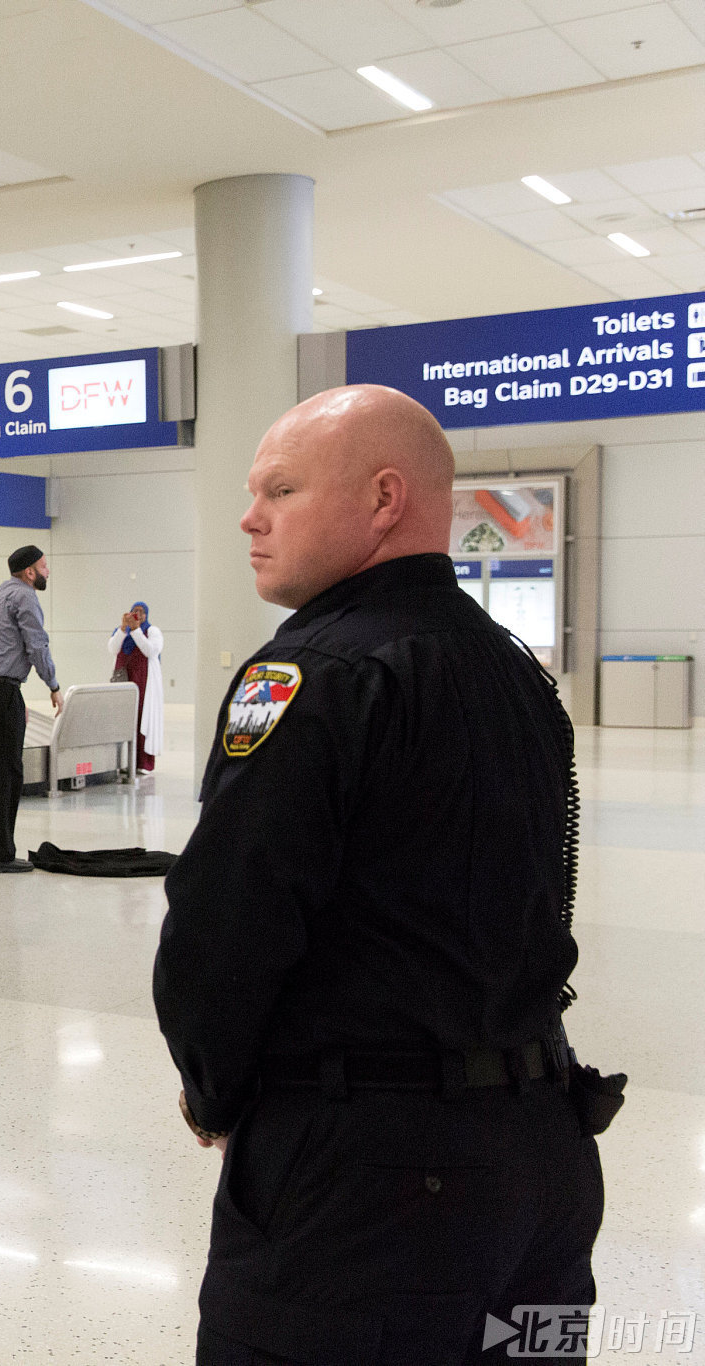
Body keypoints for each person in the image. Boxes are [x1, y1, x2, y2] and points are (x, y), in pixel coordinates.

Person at [152, 385, 607, 1364]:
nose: (247, 516)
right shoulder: (512, 670)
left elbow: (221, 926)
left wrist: (214, 1092)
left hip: (372, 1196)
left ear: (383, 499)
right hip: (545, 1170)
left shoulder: (313, 674)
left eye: (279, 487)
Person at [0, 544, 61, 874]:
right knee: (7, 774)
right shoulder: (24, 596)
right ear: (30, 572)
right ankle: (1, 855)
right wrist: (53, 684)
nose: (48, 571)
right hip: (1, 691)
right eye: (44, 566)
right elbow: (37, 644)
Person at [108, 602, 163, 773]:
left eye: (141, 612)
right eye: (134, 611)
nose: (137, 614)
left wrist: (136, 630)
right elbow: (112, 648)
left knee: (142, 719)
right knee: (123, 718)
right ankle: (123, 761)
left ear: (146, 615)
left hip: (144, 681)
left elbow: (150, 650)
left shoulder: (152, 632)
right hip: (125, 679)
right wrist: (123, 629)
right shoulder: (122, 632)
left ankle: (143, 763)